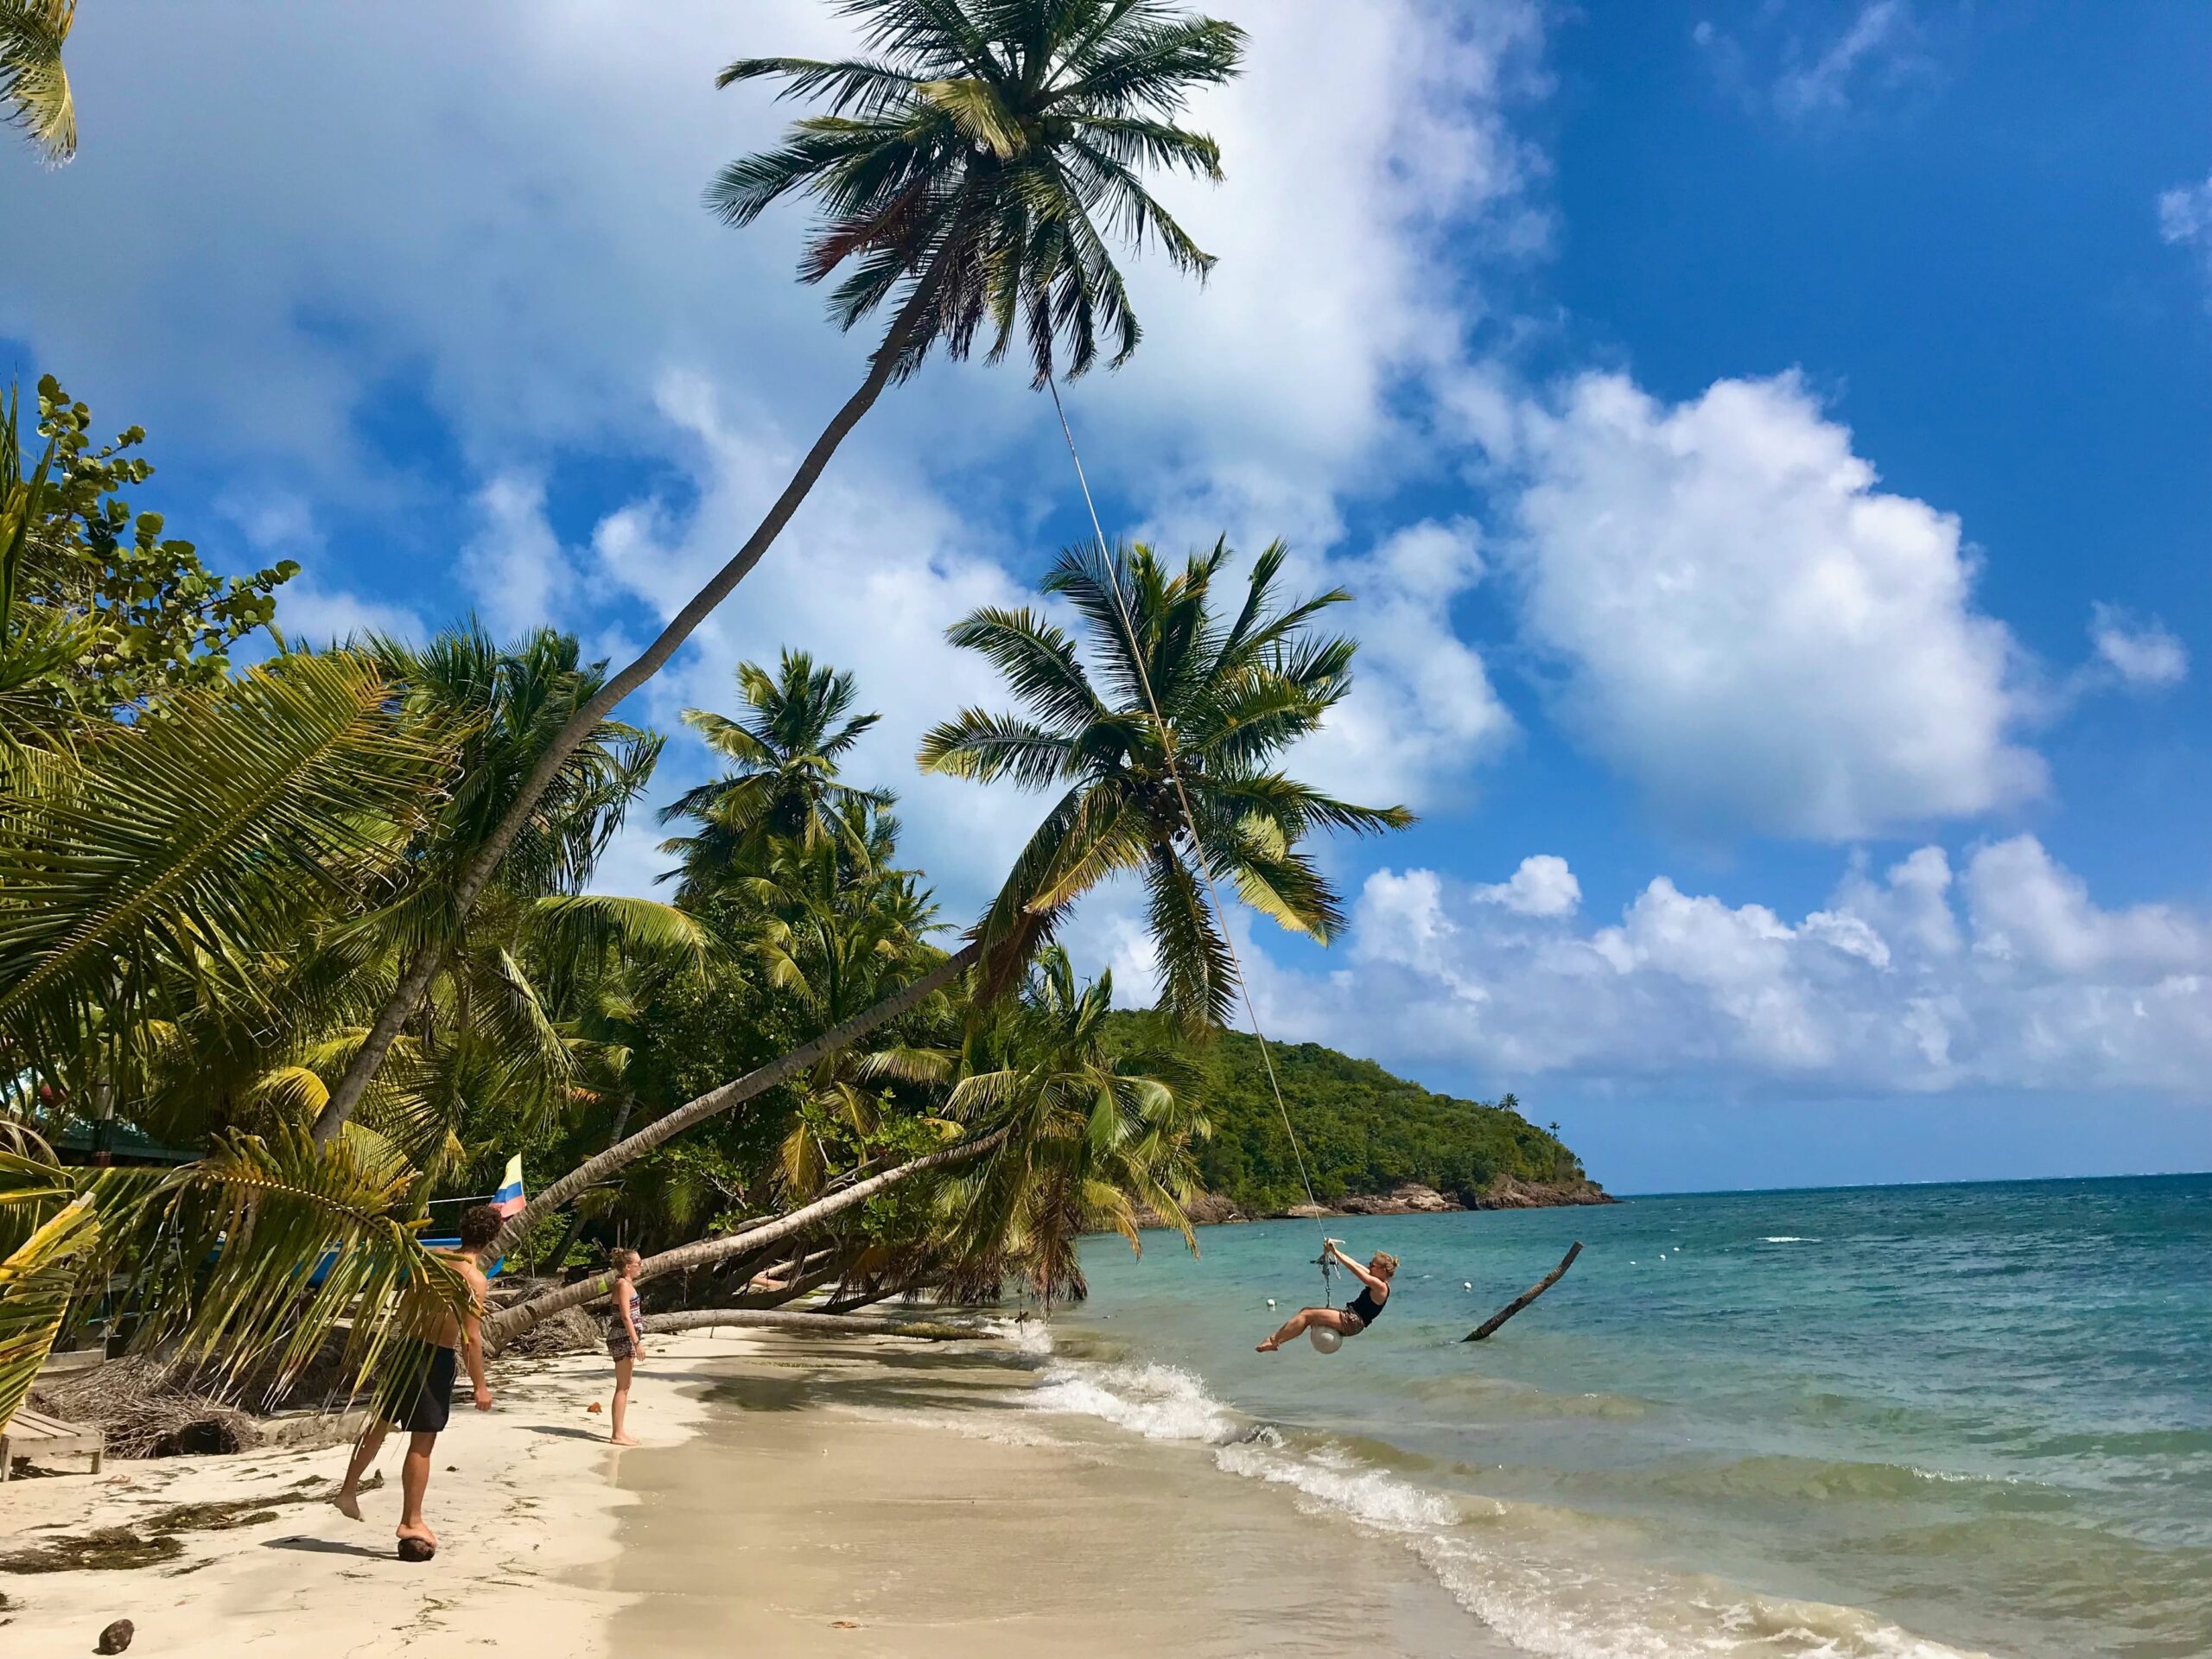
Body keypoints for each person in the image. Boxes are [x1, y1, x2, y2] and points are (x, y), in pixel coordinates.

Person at [334, 1203, 499, 1558]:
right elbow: (471, 1339)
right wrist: (480, 1386)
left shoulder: (434, 1257)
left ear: (463, 1230)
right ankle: (411, 1519)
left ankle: (348, 1490)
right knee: (422, 1442)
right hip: (432, 1358)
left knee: (380, 1424)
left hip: (403, 1348)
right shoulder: (474, 1280)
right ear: (491, 1240)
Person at [1255, 1241, 1396, 1352]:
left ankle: (1274, 1341)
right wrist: (1335, 1251)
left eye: (1372, 1265)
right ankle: (1277, 1341)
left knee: (1306, 1315)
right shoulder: (1379, 1281)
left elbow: (1354, 1270)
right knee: (1305, 1311)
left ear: (1382, 1270)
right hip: (1351, 1318)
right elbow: (1355, 1264)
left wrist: (1334, 1251)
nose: (1369, 1267)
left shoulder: (1381, 1287)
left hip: (1352, 1322)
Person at [606, 1247, 645, 1446]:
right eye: (638, 1264)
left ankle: (620, 1431)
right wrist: (637, 1343)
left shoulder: (627, 1284)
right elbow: (625, 1316)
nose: (641, 1267)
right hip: (622, 1337)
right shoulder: (622, 1285)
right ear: (628, 1267)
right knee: (622, 1387)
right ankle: (617, 1434)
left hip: (626, 1338)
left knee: (625, 1386)